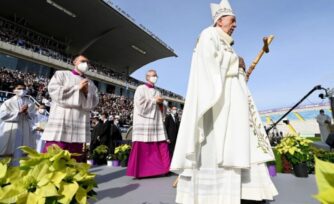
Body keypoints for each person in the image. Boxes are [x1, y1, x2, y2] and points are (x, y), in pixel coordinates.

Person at [170, 1, 278, 203]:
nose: (235, 24)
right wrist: (236, 62)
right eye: (232, 20)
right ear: (219, 21)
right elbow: (209, 63)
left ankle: (244, 191)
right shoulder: (208, 35)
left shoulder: (225, 43)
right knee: (217, 147)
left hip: (233, 106)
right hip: (218, 108)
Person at [42, 54, 99, 161]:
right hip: (63, 119)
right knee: (55, 153)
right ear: (74, 62)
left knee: (75, 156)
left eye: (87, 62)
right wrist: (77, 88)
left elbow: (94, 102)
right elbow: (54, 92)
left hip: (79, 120)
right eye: (82, 61)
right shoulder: (61, 74)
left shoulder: (91, 83)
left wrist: (87, 93)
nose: (85, 64)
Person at [126, 69, 171, 178]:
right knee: (144, 146)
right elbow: (139, 104)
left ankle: (164, 169)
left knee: (160, 143)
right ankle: (143, 171)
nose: (154, 77)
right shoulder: (140, 89)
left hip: (155, 122)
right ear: (147, 77)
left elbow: (163, 108)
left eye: (156, 75)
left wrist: (162, 104)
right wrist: (155, 101)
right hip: (144, 121)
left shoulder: (158, 91)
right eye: (152, 75)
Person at [0, 81, 36, 163]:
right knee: (10, 148)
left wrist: (27, 113)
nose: (22, 90)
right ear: (14, 90)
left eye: (23, 89)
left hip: (25, 129)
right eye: (19, 88)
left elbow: (34, 116)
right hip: (12, 126)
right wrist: (19, 112)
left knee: (22, 149)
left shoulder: (30, 103)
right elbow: (2, 114)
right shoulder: (8, 102)